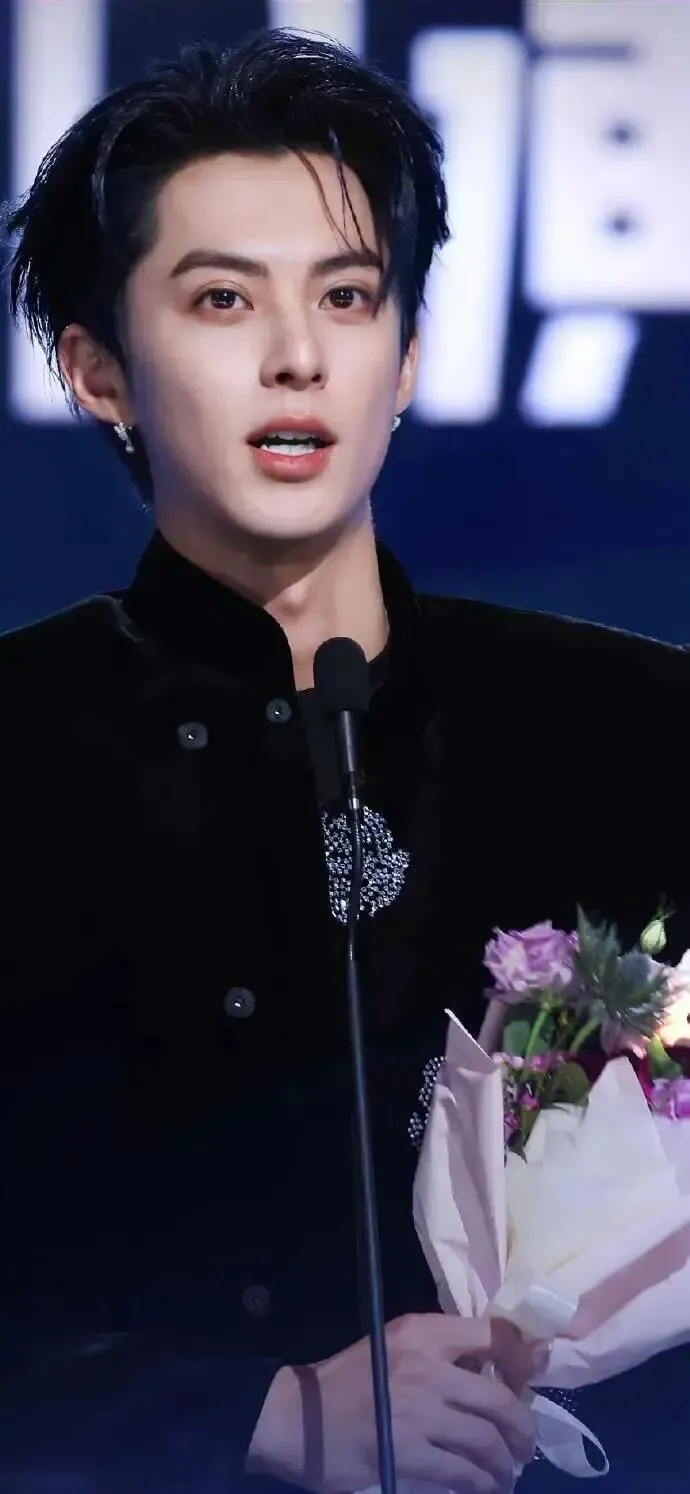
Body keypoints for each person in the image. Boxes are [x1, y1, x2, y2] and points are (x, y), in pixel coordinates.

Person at [0, 26, 689, 1494]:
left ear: (408, 354)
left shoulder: (638, 729)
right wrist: (257, 1415)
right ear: (98, 367)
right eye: (221, 298)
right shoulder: (19, 746)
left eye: (347, 295)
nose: (297, 355)